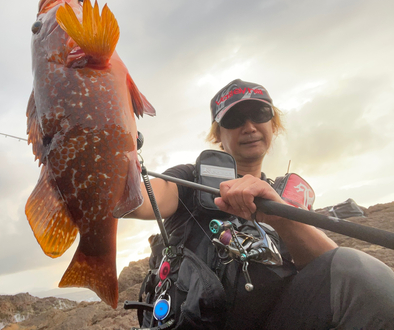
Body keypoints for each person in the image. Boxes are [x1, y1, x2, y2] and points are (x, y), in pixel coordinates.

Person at [128, 79, 394, 329]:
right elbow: (135, 201)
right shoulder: (188, 178)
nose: (249, 126)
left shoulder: (285, 198)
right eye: (234, 119)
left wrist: (280, 216)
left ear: (273, 125)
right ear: (218, 135)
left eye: (259, 114)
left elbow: (339, 271)